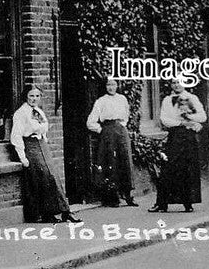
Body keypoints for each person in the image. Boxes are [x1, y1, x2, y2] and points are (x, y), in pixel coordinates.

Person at [11, 85, 81, 224]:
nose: (34, 99)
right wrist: (22, 157)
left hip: (42, 145)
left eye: (37, 96)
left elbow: (43, 128)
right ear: (26, 96)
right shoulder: (21, 113)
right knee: (44, 178)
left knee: (53, 176)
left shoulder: (38, 111)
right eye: (31, 96)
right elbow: (16, 136)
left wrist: (44, 138)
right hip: (30, 147)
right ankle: (54, 213)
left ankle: (61, 212)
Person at [149, 79, 206, 213]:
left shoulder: (192, 98)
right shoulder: (167, 100)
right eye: (174, 82)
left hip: (189, 137)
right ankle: (161, 204)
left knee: (188, 169)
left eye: (179, 82)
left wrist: (189, 117)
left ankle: (188, 203)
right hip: (175, 136)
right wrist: (180, 123)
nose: (176, 85)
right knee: (168, 168)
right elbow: (164, 119)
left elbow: (202, 117)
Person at [86, 78, 137, 207]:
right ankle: (112, 197)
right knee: (111, 162)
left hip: (121, 131)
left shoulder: (122, 99)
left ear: (117, 85)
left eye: (113, 84)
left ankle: (128, 195)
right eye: (108, 84)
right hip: (108, 133)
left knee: (125, 161)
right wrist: (102, 130)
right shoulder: (101, 101)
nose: (111, 87)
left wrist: (121, 126)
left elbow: (126, 115)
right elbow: (90, 122)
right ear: (105, 86)